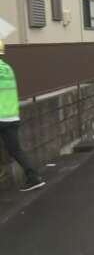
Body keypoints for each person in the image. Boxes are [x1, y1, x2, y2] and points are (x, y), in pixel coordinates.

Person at [0, 40, 45, 191]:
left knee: (13, 149)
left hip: (1, 117)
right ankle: (34, 177)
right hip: (12, 116)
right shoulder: (8, 68)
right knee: (15, 149)